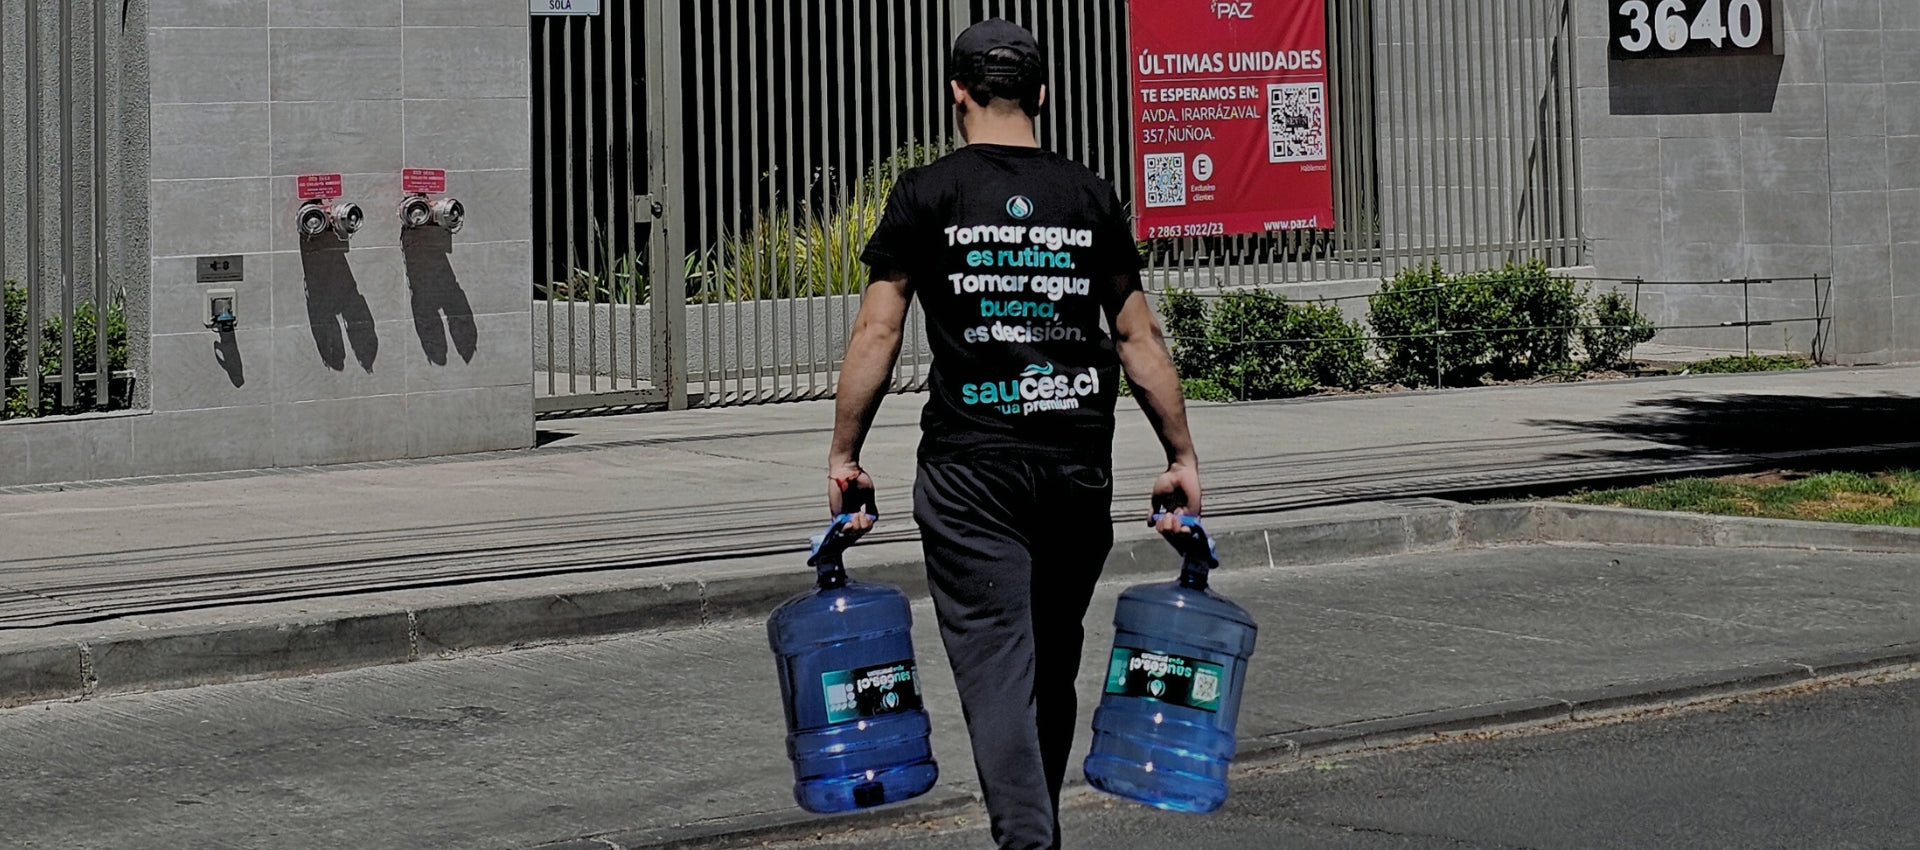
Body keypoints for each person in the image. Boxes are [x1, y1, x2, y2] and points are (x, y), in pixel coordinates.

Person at [825, 18, 1201, 850]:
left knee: (999, 663)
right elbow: (1139, 340)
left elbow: (876, 336)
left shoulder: (928, 194)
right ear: (1043, 94)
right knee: (1051, 659)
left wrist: (845, 453)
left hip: (972, 469)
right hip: (1074, 461)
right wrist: (1180, 455)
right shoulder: (1088, 195)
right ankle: (1043, 825)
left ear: (955, 92)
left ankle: (1028, 838)